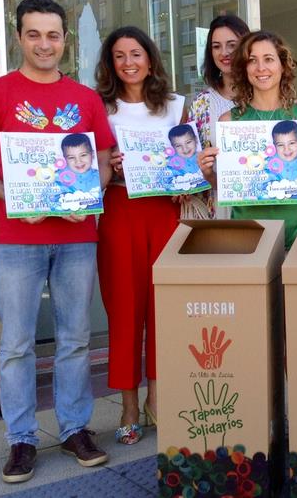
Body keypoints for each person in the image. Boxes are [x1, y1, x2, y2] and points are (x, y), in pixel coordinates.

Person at [0, 0, 114, 483]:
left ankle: (75, 428)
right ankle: (22, 440)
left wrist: (88, 193)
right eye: (34, 34)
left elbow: (104, 164)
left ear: (65, 40)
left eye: (53, 34)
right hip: (16, 238)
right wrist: (14, 198)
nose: (44, 43)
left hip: (77, 237)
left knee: (75, 338)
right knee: (16, 344)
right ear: (19, 37)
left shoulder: (86, 98)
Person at [95, 26, 185, 445]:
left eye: (136, 53)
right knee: (125, 312)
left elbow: (189, 162)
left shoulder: (174, 106)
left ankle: (159, 398)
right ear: (110, 63)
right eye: (119, 55)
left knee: (162, 310)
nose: (128, 62)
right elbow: (88, 169)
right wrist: (108, 163)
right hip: (119, 209)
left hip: (163, 211)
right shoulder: (100, 107)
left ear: (150, 59)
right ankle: (128, 405)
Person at [198, 30, 297, 249]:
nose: (261, 68)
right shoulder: (229, 121)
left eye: (268, 59)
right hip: (247, 237)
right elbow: (229, 187)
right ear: (243, 68)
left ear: (283, 65)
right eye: (252, 61)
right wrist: (208, 173)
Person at [186, 15, 250, 218]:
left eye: (232, 45)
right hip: (217, 208)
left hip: (262, 206)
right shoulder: (201, 103)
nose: (224, 53)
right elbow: (189, 162)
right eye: (216, 46)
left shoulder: (266, 97)